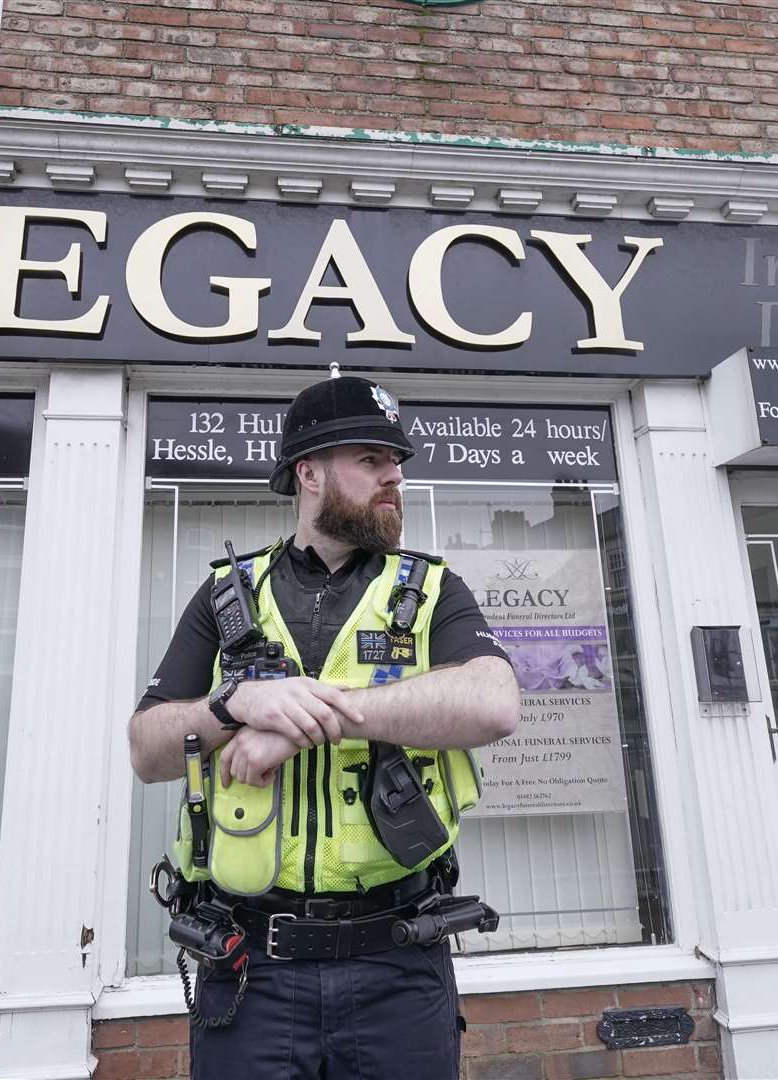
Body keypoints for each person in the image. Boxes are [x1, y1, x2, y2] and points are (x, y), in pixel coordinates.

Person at [128, 373, 520, 1079]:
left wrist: (306, 720)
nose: (393, 475)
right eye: (371, 459)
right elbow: (148, 751)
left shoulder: (432, 589)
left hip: (398, 963)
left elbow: (493, 703)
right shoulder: (226, 593)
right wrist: (230, 706)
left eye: (394, 461)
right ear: (308, 472)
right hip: (250, 968)